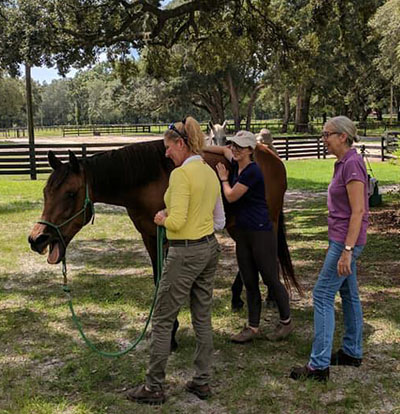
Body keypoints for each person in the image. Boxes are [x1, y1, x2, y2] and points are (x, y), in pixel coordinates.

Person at [127, 116, 225, 405]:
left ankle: (154, 386)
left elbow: (178, 221)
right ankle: (202, 381)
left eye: (168, 147)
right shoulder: (208, 172)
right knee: (202, 317)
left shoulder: (181, 175)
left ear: (181, 144)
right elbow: (219, 220)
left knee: (162, 320)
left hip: (185, 252)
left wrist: (162, 219)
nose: (166, 153)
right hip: (209, 248)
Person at [290, 116, 369, 383]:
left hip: (345, 242)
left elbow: (358, 211)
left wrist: (347, 249)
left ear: (343, 137)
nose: (323, 139)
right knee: (348, 293)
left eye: (327, 135)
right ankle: (351, 351)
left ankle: (319, 365)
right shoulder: (343, 163)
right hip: (342, 239)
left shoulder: (352, 165)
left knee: (322, 295)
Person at [207, 130, 293, 343]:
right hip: (243, 231)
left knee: (271, 278)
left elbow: (231, 196)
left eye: (239, 147)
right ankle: (252, 327)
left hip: (260, 231)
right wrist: (198, 146)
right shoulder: (236, 161)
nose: (234, 149)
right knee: (249, 280)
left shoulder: (252, 171)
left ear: (250, 150)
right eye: (234, 145)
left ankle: (286, 321)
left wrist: (223, 179)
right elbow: (222, 149)